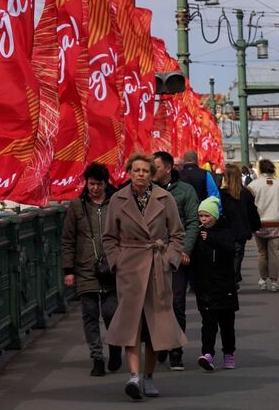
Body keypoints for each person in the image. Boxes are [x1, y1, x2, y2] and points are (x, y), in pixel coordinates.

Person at [103, 153, 187, 400]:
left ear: (152, 174)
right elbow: (109, 237)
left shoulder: (165, 198)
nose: (140, 174)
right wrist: (117, 261)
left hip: (156, 268)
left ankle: (148, 376)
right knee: (132, 324)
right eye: (136, 170)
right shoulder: (117, 199)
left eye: (145, 171)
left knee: (155, 328)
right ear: (129, 173)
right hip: (129, 269)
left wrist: (169, 259)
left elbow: (178, 234)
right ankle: (133, 376)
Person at [63, 163, 123, 376]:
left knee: (111, 312)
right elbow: (68, 240)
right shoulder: (77, 206)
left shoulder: (116, 203)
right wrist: (68, 270)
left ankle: (115, 347)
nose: (94, 188)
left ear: (106, 184)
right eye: (91, 184)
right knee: (89, 315)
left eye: (98, 184)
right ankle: (97, 357)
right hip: (85, 268)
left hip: (112, 267)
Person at [152, 151, 199, 371]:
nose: (152, 171)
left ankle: (176, 350)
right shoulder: (147, 191)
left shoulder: (185, 191)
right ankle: (159, 343)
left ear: (168, 168)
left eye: (157, 167)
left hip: (176, 255)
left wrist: (184, 250)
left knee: (176, 303)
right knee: (155, 304)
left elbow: (192, 223)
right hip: (151, 256)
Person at [191, 197, 239, 370]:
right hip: (205, 287)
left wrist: (211, 238)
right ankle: (207, 354)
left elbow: (230, 248)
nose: (203, 219)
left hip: (225, 287)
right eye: (201, 216)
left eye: (206, 216)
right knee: (208, 323)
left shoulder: (224, 231)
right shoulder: (197, 233)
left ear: (215, 216)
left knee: (227, 325)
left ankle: (229, 353)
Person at [247, 158, 279, 291]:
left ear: (260, 169)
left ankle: (262, 280)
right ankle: (274, 282)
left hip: (259, 224)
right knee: (275, 252)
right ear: (273, 170)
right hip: (278, 224)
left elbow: (248, 206)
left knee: (262, 252)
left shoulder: (252, 186)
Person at [221, 163, 260, 287]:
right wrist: (255, 227)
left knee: (226, 256)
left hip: (226, 230)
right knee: (238, 255)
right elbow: (252, 212)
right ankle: (235, 277)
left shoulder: (222, 194)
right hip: (241, 230)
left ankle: (231, 278)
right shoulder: (245, 193)